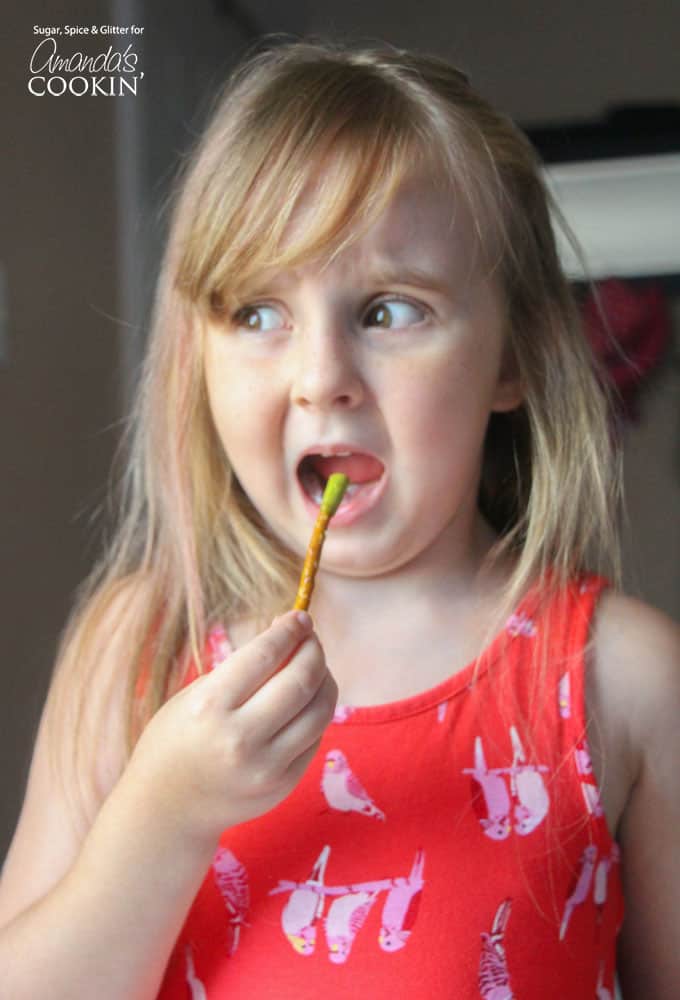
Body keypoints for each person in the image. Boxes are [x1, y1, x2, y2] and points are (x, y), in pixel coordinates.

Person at [0, 40, 678, 1000]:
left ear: (512, 358)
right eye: (258, 314)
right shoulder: (139, 652)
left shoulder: (624, 679)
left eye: (390, 311)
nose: (321, 379)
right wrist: (165, 817)